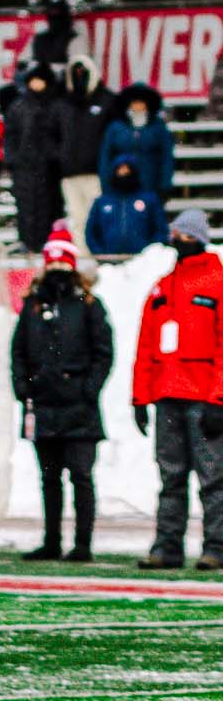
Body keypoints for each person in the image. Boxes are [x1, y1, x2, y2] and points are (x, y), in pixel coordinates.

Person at [10, 236, 112, 563]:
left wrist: (89, 388)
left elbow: (103, 352)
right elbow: (18, 351)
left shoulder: (88, 305)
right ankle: (51, 540)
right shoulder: (32, 305)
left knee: (81, 476)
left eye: (61, 262)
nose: (56, 269)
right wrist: (23, 387)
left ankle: (83, 542)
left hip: (79, 406)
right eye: (51, 262)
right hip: (43, 404)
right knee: (49, 478)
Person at [132, 210, 223, 571]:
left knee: (213, 478)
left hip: (203, 398)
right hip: (168, 397)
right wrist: (140, 397)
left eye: (183, 233)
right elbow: (146, 348)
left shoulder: (216, 283)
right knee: (170, 478)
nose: (177, 239)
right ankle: (167, 546)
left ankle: (216, 546)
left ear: (197, 237)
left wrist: (220, 398)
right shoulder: (162, 287)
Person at [57, 57, 115, 256]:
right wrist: (61, 157)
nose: (80, 77)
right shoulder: (63, 104)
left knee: (99, 217)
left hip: (97, 173)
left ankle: (102, 256)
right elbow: (53, 135)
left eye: (84, 73)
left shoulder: (106, 101)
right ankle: (81, 256)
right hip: (70, 174)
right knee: (77, 218)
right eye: (76, 73)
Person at [99, 82, 174, 200]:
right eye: (134, 102)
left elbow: (166, 158)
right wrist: (106, 184)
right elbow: (105, 157)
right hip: (121, 187)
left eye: (141, 102)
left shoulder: (158, 128)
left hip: (150, 186)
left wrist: (165, 185)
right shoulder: (115, 128)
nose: (137, 106)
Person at [83, 156, 169, 256]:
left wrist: (150, 253)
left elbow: (161, 229)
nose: (124, 173)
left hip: (142, 262)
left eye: (128, 169)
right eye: (120, 169)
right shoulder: (102, 202)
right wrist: (100, 253)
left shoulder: (149, 200)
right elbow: (91, 232)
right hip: (109, 261)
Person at [26, 1, 90, 82]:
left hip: (64, 82)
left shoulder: (77, 40)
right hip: (39, 82)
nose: (55, 21)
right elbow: (26, 61)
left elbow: (80, 65)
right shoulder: (39, 38)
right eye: (52, 17)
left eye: (59, 17)